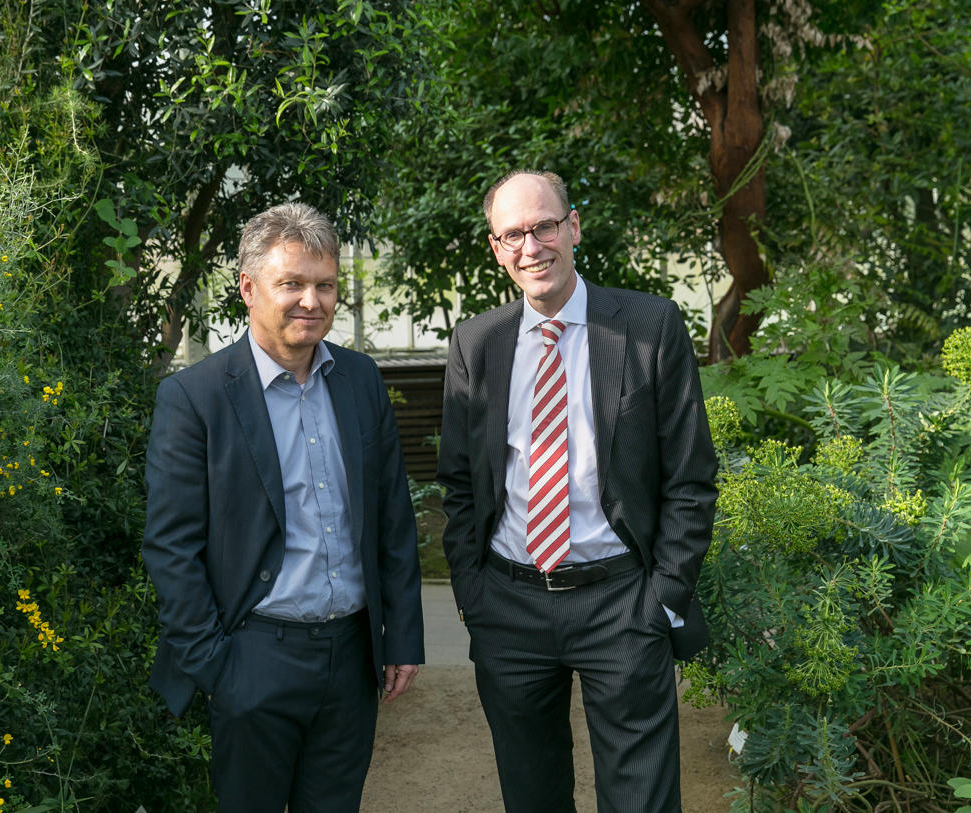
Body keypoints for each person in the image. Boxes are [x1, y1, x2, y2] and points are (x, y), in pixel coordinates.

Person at [437, 170, 718, 813]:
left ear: (573, 228)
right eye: (513, 234)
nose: (531, 246)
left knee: (641, 800)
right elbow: (458, 483)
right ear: (496, 249)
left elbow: (691, 478)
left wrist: (661, 600)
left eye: (544, 227)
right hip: (509, 606)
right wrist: (474, 594)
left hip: (622, 603)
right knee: (531, 796)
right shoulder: (476, 342)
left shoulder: (649, 326)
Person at [143, 201, 424, 813]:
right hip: (253, 656)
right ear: (249, 288)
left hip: (351, 659)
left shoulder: (360, 380)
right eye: (292, 284)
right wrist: (217, 670)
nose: (311, 302)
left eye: (325, 285)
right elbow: (171, 548)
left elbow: (392, 519)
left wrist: (401, 637)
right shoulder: (195, 397)